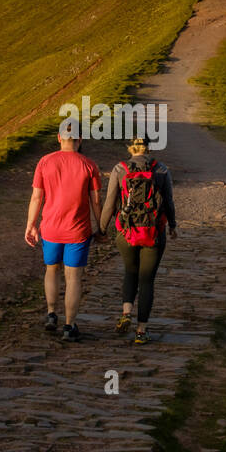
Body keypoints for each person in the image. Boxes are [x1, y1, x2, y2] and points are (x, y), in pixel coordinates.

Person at [25, 125, 103, 342]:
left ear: (59, 138)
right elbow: (96, 201)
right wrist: (102, 228)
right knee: (73, 278)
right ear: (80, 139)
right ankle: (69, 326)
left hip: (50, 228)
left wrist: (31, 224)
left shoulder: (45, 162)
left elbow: (36, 197)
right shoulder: (89, 165)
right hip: (78, 230)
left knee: (51, 270)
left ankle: (51, 314)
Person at [99, 137, 177, 345]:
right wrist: (173, 226)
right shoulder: (161, 169)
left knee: (130, 271)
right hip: (153, 231)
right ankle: (141, 331)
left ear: (130, 149)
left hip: (126, 232)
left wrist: (101, 227)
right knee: (147, 280)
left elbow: (109, 203)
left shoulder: (119, 169)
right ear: (148, 149)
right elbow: (168, 201)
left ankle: (126, 312)